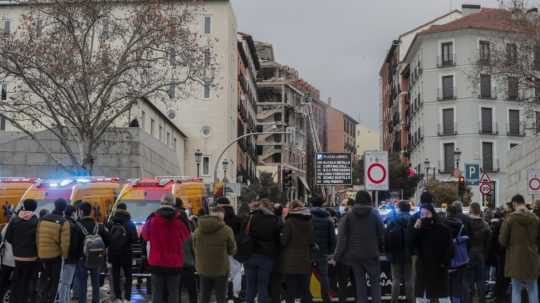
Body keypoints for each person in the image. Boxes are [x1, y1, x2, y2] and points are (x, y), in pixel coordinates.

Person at [335, 191, 384, 303]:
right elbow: (382, 232)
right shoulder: (374, 213)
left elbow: (342, 237)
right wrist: (381, 247)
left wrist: (337, 255)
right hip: (372, 253)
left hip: (355, 255)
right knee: (375, 283)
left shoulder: (349, 215)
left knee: (360, 284)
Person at [142, 193, 189, 303]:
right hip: (174, 262)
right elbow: (186, 236)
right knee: (173, 293)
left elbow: (145, 236)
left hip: (156, 262)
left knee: (157, 293)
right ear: (173, 204)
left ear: (161, 203)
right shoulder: (180, 220)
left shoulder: (152, 219)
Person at [499, 194, 540, 303]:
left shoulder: (510, 219)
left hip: (515, 258)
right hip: (532, 258)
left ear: (514, 203)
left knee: (516, 289)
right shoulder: (536, 219)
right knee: (533, 288)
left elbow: (502, 240)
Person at [193, 206, 237, 303]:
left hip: (203, 268)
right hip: (221, 269)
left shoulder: (198, 230)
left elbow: (194, 247)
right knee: (221, 297)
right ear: (223, 216)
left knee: (204, 296)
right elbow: (232, 250)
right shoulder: (227, 230)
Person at [412, 204, 453, 302]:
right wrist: (415, 230)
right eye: (422, 214)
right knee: (423, 295)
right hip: (423, 267)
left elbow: (449, 248)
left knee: (443, 296)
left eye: (427, 214)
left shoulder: (443, 229)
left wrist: (444, 263)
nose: (424, 217)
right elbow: (411, 244)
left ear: (432, 214)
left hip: (439, 267)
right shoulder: (419, 229)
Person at [244, 199, 282, 303]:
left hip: (250, 255)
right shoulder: (274, 220)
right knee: (263, 285)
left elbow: (243, 234)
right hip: (267, 256)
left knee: (250, 285)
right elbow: (278, 239)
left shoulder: (250, 218)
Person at [75, 202, 110, 303]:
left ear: (80, 211)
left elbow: (74, 244)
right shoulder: (98, 226)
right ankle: (96, 300)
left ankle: (82, 301)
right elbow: (108, 240)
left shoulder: (77, 226)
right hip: (96, 257)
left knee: (82, 282)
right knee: (95, 282)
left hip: (82, 258)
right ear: (90, 212)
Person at [36, 198, 70, 303]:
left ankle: (41, 299)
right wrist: (65, 256)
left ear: (55, 206)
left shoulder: (42, 219)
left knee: (44, 278)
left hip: (42, 255)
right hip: (55, 256)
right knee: (54, 281)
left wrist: (39, 251)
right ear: (64, 208)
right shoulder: (64, 222)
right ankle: (50, 300)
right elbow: (65, 244)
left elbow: (37, 237)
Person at [5, 199, 39, 303]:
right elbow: (38, 239)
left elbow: (8, 237)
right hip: (32, 257)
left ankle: (14, 300)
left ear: (23, 206)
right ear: (35, 208)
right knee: (29, 281)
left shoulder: (14, 220)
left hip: (18, 257)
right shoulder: (36, 221)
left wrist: (17, 245)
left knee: (16, 281)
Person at [280, 201, 314, 303]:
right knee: (305, 289)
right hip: (305, 259)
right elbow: (311, 241)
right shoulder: (309, 222)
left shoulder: (289, 222)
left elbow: (283, 241)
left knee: (291, 290)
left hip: (291, 262)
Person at [108, 202, 138, 303]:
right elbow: (135, 238)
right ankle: (127, 298)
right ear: (126, 210)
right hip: (126, 253)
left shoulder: (111, 222)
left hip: (114, 253)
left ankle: (118, 297)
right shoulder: (129, 223)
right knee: (128, 276)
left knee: (116, 275)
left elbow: (107, 238)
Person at [385, 200, 414, 303]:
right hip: (409, 254)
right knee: (409, 279)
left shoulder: (393, 219)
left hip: (395, 253)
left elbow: (386, 236)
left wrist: (387, 252)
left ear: (399, 208)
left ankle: (394, 300)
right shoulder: (413, 219)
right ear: (409, 208)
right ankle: (410, 300)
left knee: (396, 279)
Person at [309, 196, 336, 303]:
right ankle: (326, 298)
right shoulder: (328, 218)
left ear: (311, 204)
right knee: (324, 277)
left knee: (306, 276)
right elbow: (332, 237)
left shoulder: (307, 217)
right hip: (323, 252)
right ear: (322, 205)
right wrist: (331, 252)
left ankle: (307, 298)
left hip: (309, 251)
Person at [216, 197, 243, 302]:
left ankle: (225, 294)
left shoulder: (219, 220)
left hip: (221, 248)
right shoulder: (237, 219)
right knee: (236, 271)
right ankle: (236, 294)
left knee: (223, 273)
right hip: (235, 248)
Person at [468, 202, 491, 303]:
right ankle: (482, 300)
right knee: (481, 280)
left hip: (469, 254)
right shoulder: (485, 225)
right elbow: (488, 243)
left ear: (471, 210)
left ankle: (469, 299)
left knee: (469, 280)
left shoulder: (467, 223)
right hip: (481, 254)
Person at [445, 205, 469, 303]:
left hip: (446, 259)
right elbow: (468, 242)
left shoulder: (442, 225)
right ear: (456, 214)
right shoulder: (462, 226)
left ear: (447, 212)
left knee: (445, 284)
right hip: (460, 260)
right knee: (457, 285)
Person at [57, 205, 80, 303]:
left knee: (62, 282)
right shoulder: (74, 225)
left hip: (59, 256)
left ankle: (64, 300)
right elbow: (75, 245)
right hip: (70, 258)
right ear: (73, 213)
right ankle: (64, 300)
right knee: (66, 283)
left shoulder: (61, 223)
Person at [177, 198, 197, 303]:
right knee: (191, 289)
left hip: (175, 262)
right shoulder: (188, 228)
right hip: (188, 262)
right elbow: (193, 246)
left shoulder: (171, 225)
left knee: (176, 289)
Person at [0, 213, 15, 300]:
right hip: (19, 259)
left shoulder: (8, 225)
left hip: (6, 259)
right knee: (14, 281)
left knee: (3, 280)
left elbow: (2, 237)